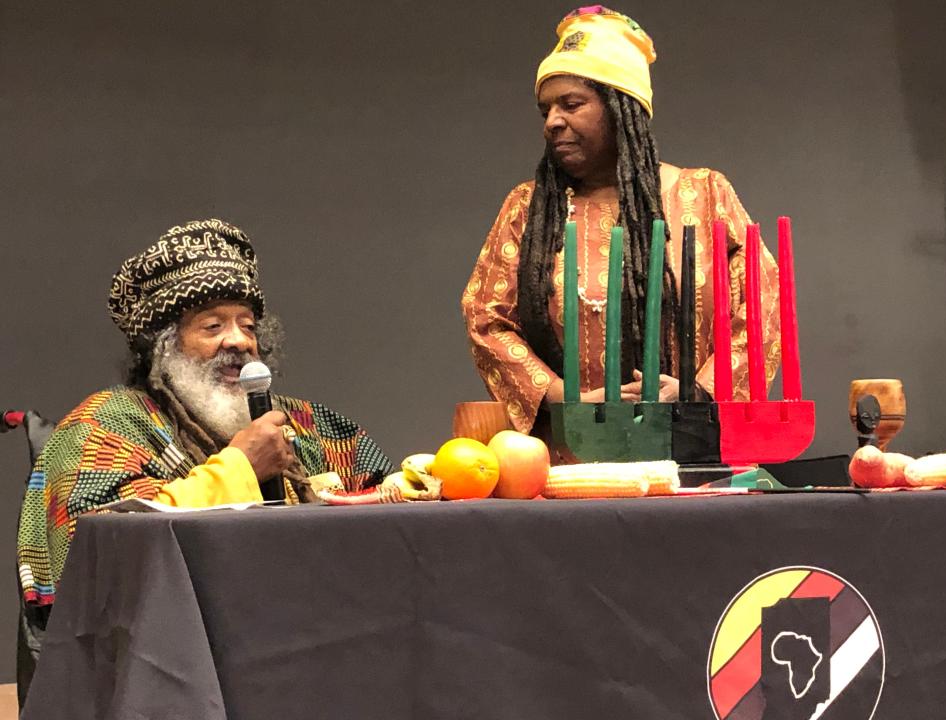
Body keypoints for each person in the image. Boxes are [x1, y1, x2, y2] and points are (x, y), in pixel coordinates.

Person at [17, 218, 394, 611]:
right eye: (213, 326)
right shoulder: (101, 425)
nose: (239, 340)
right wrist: (240, 469)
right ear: (164, 347)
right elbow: (95, 554)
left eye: (247, 326)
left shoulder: (307, 423)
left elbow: (389, 498)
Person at [462, 6, 781, 438]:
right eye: (545, 110)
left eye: (572, 104)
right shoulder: (528, 207)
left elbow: (765, 305)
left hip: (692, 451)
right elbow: (486, 317)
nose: (553, 122)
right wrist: (561, 396)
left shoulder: (705, 195)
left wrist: (699, 389)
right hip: (572, 456)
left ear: (621, 108)